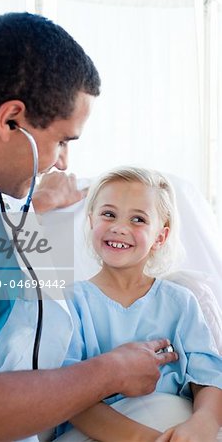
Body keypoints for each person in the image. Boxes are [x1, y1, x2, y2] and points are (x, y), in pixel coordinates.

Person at [0, 13, 177, 441]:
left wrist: (38, 202)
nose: (62, 162)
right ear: (10, 121)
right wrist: (109, 372)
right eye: (62, 142)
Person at [55, 166, 222, 442]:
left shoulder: (180, 301)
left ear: (160, 237)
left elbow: (210, 377)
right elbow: (68, 397)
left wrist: (202, 424)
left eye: (138, 219)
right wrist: (145, 438)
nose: (120, 227)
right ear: (91, 222)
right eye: (109, 214)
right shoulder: (71, 303)